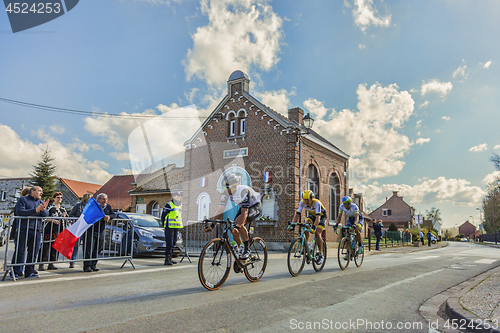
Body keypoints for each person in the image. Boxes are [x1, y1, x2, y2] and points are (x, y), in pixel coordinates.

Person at [204, 174, 262, 260]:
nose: (225, 190)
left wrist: (238, 226)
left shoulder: (243, 191)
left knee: (239, 223)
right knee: (235, 230)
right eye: (224, 188)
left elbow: (245, 213)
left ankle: (247, 249)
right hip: (244, 207)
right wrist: (212, 225)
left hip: (255, 206)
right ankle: (240, 250)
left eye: (227, 188)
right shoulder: (226, 193)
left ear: (235, 186)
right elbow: (220, 210)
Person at [12, 186, 49, 279]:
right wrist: (36, 210)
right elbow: (20, 212)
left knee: (33, 252)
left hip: (36, 229)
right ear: (32, 192)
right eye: (39, 191)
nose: (41, 193)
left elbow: (45, 215)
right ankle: (15, 272)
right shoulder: (23, 199)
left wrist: (43, 209)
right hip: (24, 229)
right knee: (20, 251)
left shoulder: (40, 202)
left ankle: (29, 272)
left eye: (42, 191)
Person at [290, 190, 327, 265]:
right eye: (304, 199)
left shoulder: (317, 203)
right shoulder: (302, 202)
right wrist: (292, 225)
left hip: (321, 216)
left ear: (312, 198)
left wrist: (313, 227)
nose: (306, 201)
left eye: (307, 199)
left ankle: (320, 253)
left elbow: (318, 218)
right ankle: (306, 246)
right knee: (305, 224)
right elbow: (297, 215)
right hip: (312, 216)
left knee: (317, 233)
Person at [83, 193, 116, 272]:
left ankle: (93, 265)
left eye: (106, 199)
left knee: (98, 248)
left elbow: (113, 214)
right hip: (91, 230)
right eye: (103, 199)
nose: (105, 201)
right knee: (89, 248)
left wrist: (109, 216)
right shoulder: (93, 206)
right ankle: (87, 266)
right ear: (98, 200)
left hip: (101, 230)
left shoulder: (108, 207)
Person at [39, 192, 67, 271]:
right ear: (54, 198)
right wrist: (52, 220)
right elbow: (44, 217)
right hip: (49, 230)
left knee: (55, 247)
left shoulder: (63, 209)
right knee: (46, 247)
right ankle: (42, 263)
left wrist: (64, 217)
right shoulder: (50, 207)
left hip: (59, 230)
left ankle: (51, 263)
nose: (59, 199)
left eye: (61, 198)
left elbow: (67, 219)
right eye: (58, 197)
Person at [68, 193, 92, 268]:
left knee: (87, 245)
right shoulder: (78, 206)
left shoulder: (91, 207)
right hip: (79, 228)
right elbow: (71, 214)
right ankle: (72, 261)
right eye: (89, 198)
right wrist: (77, 219)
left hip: (88, 228)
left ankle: (87, 262)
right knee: (76, 245)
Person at [161, 191, 183, 266]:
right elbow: (163, 215)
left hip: (175, 227)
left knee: (173, 243)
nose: (179, 197)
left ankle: (170, 258)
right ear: (173, 196)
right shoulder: (169, 204)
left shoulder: (179, 205)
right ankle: (166, 260)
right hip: (169, 227)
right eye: (177, 196)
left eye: (179, 196)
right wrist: (164, 225)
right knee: (169, 243)